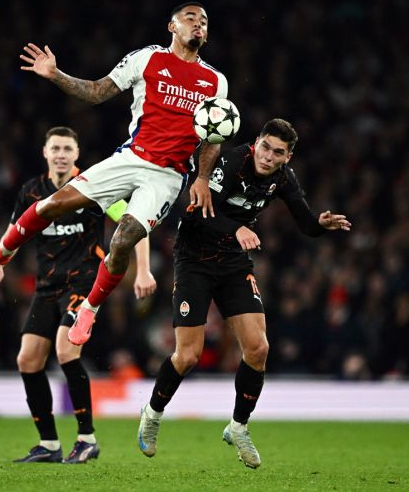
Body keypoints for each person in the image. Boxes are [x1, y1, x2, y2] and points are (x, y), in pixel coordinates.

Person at [0, 2, 228, 346]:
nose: (198, 24)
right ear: (172, 26)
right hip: (130, 158)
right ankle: (3, 249)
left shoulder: (215, 82)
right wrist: (56, 75)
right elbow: (98, 91)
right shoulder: (146, 59)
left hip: (168, 175)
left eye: (204, 21)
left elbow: (214, 138)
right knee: (54, 204)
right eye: (190, 18)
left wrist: (203, 178)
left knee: (122, 239)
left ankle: (89, 307)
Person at [137, 118, 351, 468]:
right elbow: (200, 213)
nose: (267, 157)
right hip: (194, 259)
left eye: (277, 152)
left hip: (233, 263)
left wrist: (320, 225)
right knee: (188, 355)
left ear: (288, 157)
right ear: (257, 142)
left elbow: (306, 223)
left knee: (258, 348)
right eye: (265, 147)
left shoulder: (283, 178)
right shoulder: (231, 163)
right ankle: (153, 413)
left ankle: (238, 427)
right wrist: (236, 228)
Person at [0, 126, 156, 464]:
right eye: (55, 148)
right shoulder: (32, 191)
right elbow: (16, 229)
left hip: (84, 283)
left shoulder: (95, 187)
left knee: (65, 350)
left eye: (67, 148)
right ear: (45, 153)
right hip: (46, 286)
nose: (61, 154)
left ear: (77, 154)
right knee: (28, 360)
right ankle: (49, 443)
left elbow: (138, 224)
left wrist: (144, 269)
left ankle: (86, 438)